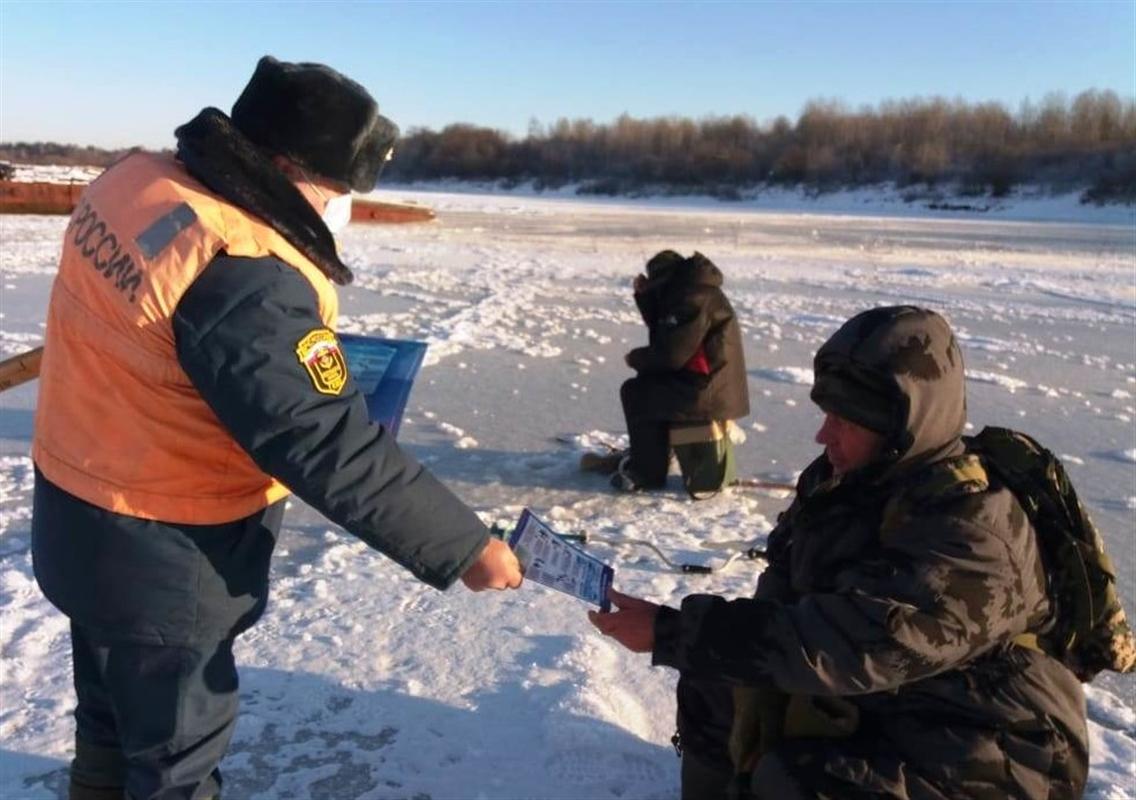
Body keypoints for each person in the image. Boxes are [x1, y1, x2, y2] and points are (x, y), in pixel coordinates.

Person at [31, 56, 523, 800]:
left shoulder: (135, 184)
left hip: (79, 506)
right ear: (289, 168)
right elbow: (322, 441)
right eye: (335, 189)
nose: (337, 208)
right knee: (174, 762)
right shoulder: (246, 266)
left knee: (107, 719)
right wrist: (465, 548)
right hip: (164, 551)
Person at [589, 305, 1090, 799]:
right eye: (829, 414)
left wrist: (674, 632)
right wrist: (699, 646)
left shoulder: (972, 529)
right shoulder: (845, 480)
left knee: (800, 781)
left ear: (899, 427)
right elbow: (784, 590)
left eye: (846, 421)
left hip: (1002, 740)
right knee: (715, 676)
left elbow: (854, 644)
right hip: (901, 694)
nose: (823, 434)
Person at [603, 249, 749, 492]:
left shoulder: (690, 298)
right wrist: (645, 297)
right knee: (647, 384)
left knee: (637, 393)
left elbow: (671, 355)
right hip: (709, 384)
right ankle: (652, 455)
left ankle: (646, 472)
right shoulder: (694, 291)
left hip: (706, 391)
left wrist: (636, 358)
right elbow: (668, 331)